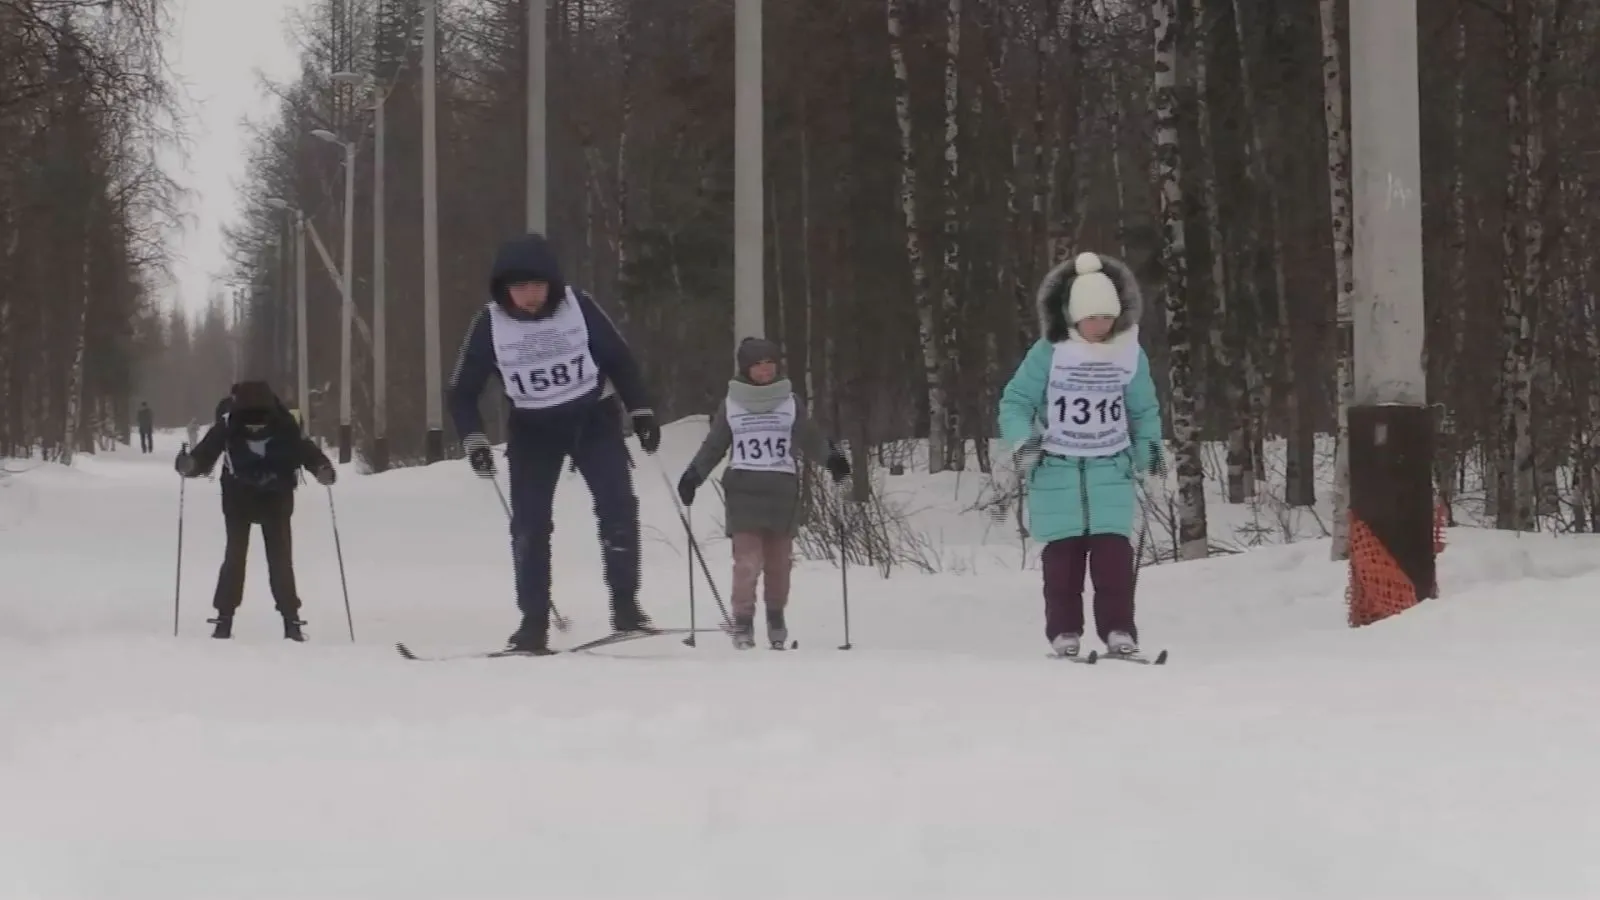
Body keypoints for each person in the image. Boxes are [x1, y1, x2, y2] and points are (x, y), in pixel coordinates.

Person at [447, 232, 660, 655]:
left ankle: (625, 605)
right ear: (504, 289)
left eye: (538, 286)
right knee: (530, 524)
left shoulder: (578, 307)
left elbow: (619, 358)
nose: (530, 296)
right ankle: (533, 621)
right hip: (532, 429)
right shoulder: (489, 324)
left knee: (618, 506)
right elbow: (460, 391)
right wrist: (474, 439)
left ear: (553, 284)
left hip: (593, 419)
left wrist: (641, 410)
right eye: (520, 287)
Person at [997, 252, 1164, 658]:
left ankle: (1119, 631)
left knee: (1114, 565)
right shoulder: (1049, 353)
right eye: (1092, 319)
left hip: (1111, 469)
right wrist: (1025, 446)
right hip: (1056, 472)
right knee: (1062, 568)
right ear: (1073, 317)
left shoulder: (1129, 353)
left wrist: (1153, 461)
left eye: (1107, 318)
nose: (1100, 327)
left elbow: (1145, 411)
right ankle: (1064, 632)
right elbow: (1015, 402)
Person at [677, 338, 851, 649]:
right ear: (746, 368)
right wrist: (694, 475)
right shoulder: (732, 403)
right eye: (757, 363)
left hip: (781, 492)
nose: (765, 368)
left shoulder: (790, 401)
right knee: (747, 561)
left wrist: (833, 459)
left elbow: (810, 437)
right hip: (743, 489)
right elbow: (715, 445)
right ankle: (743, 621)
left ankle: (775, 617)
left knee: (779, 563)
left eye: (770, 361)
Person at [174, 380, 336, 641]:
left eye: (260, 420)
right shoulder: (227, 426)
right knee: (237, 557)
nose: (255, 425)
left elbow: (307, 452)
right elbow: (204, 456)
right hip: (240, 498)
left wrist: (322, 469)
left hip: (276, 497)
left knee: (279, 558)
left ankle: (289, 619)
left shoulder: (285, 424)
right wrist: (189, 465)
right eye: (250, 420)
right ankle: (226, 618)